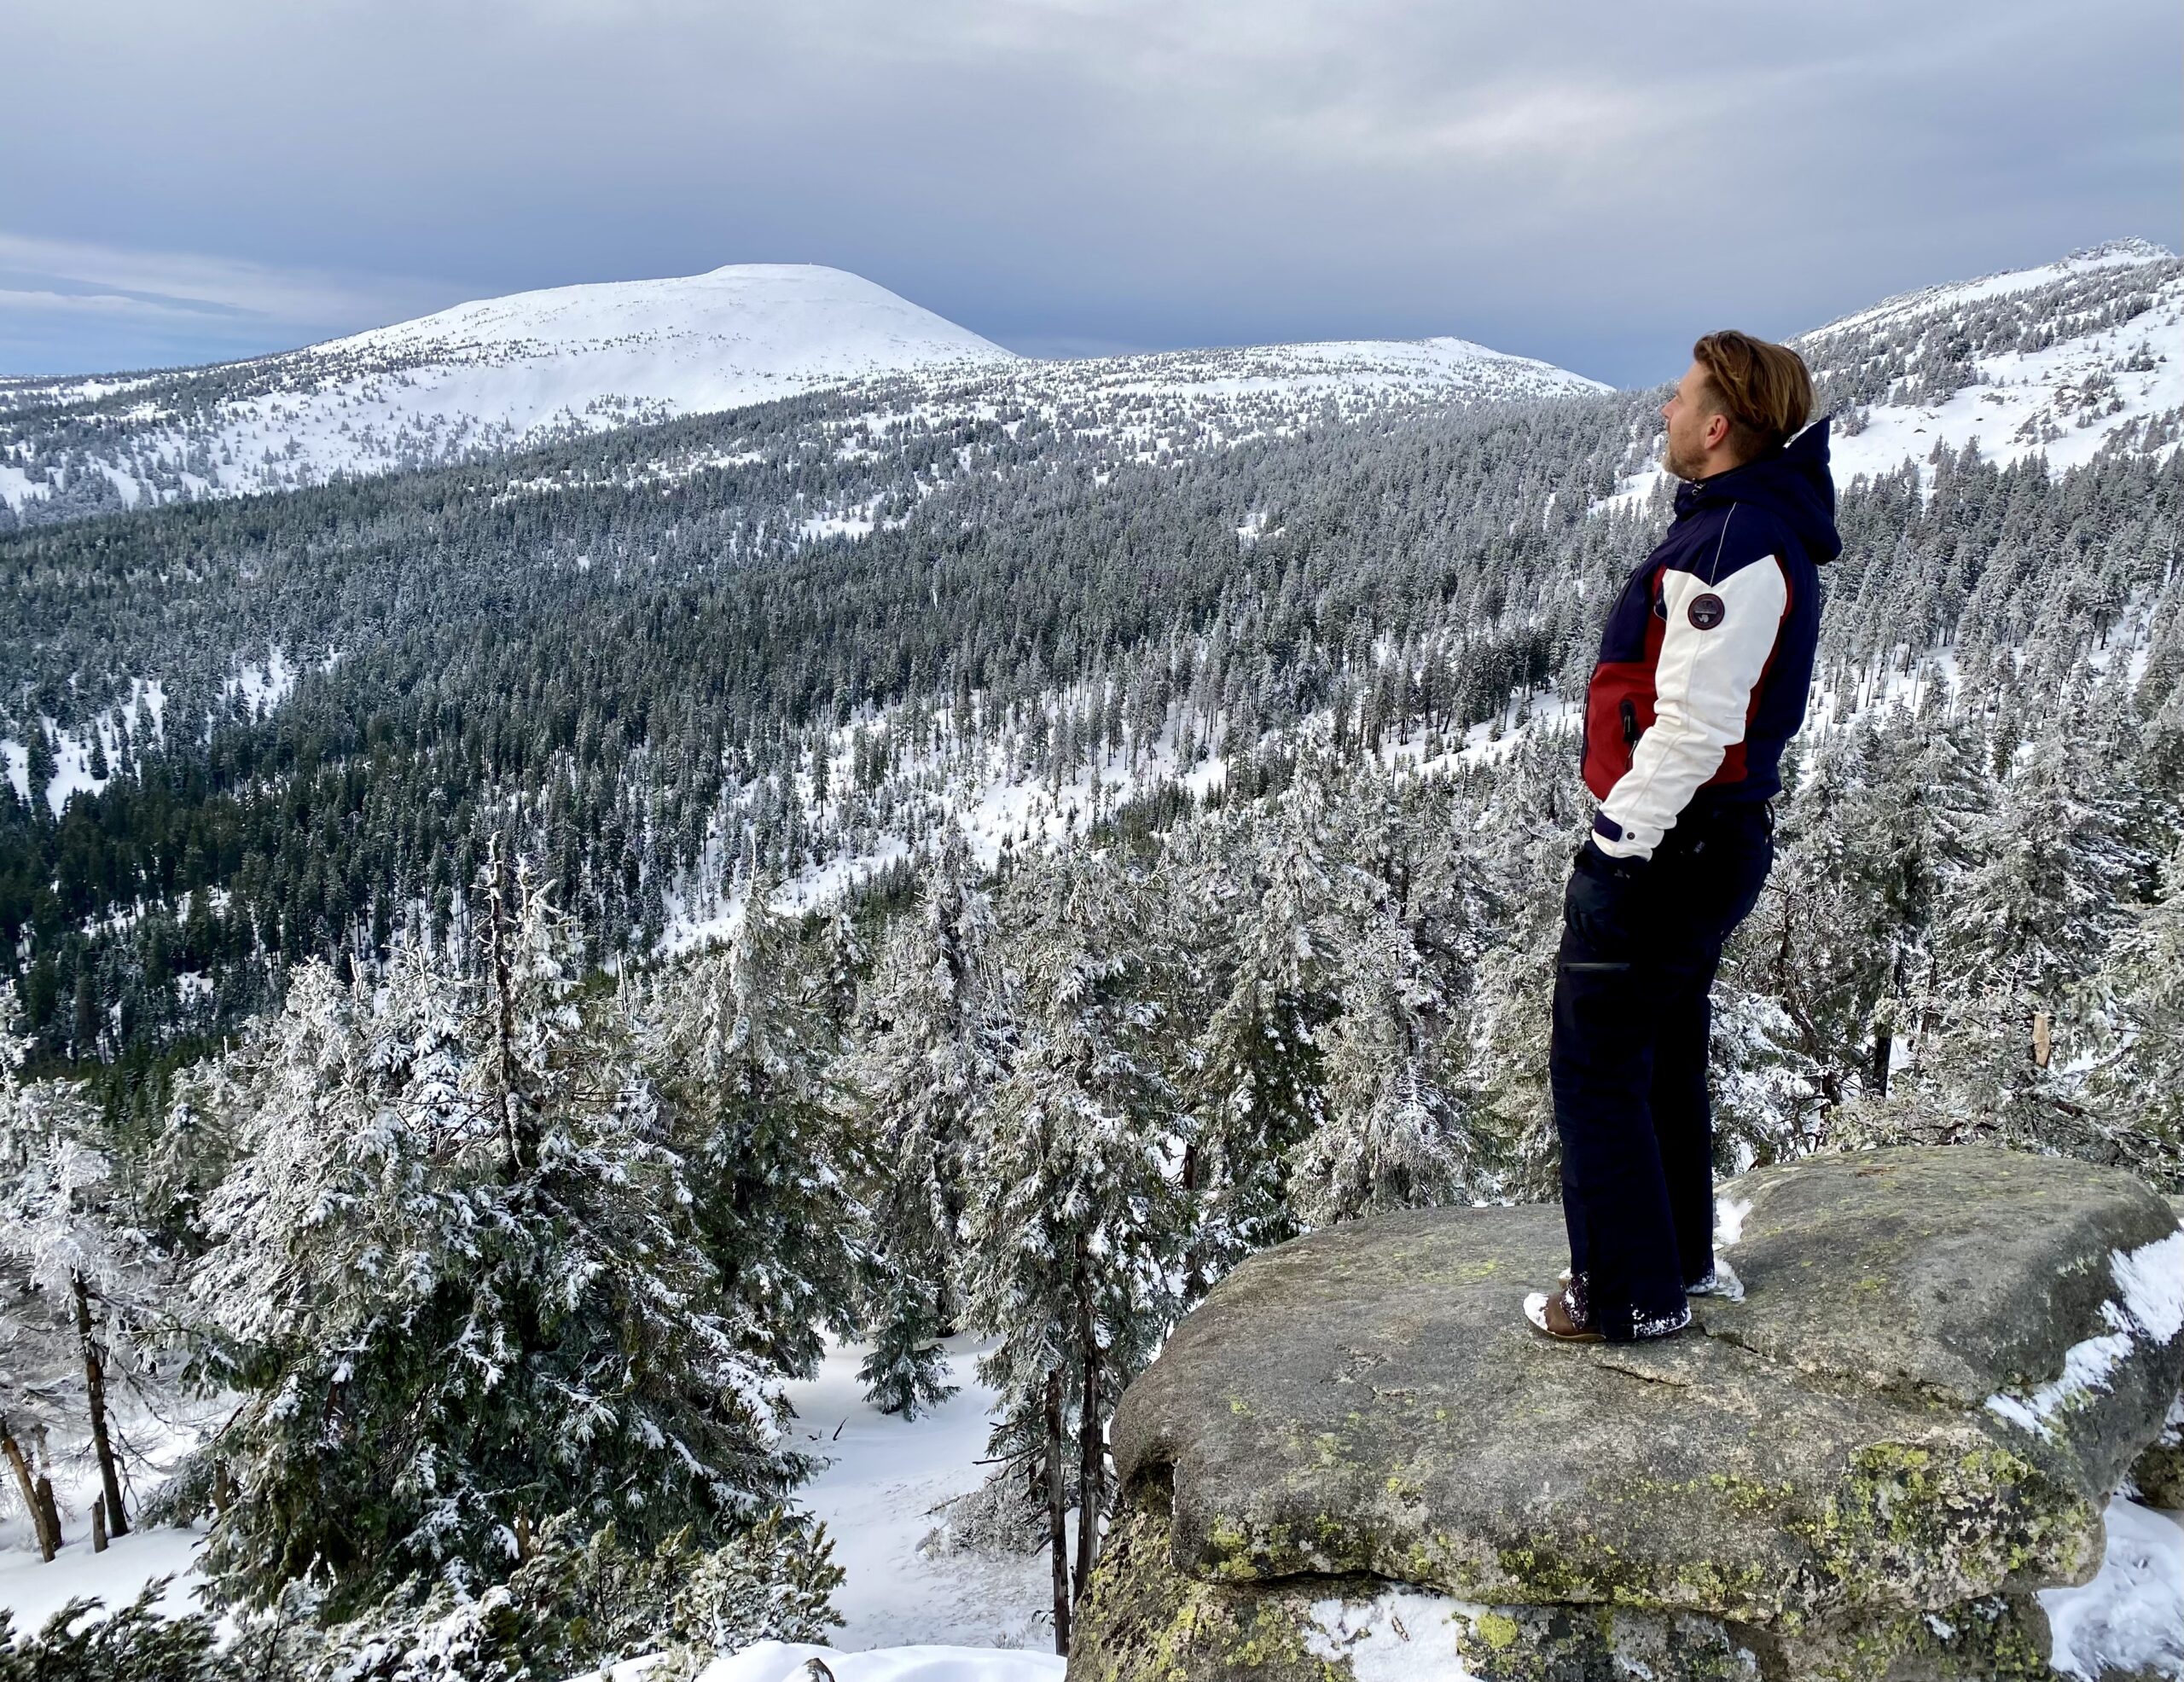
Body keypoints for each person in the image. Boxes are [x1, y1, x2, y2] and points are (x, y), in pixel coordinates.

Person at [1525, 332, 1838, 1344]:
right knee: (1658, 1053)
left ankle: (1626, 1294)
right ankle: (1678, 1262)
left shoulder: (1731, 544)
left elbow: (1695, 726)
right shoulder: (1740, 529)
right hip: (1708, 840)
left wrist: (1615, 844)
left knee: (1595, 1065)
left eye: (1677, 399)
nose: (1662, 412)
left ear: (1716, 427)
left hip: (1673, 843)